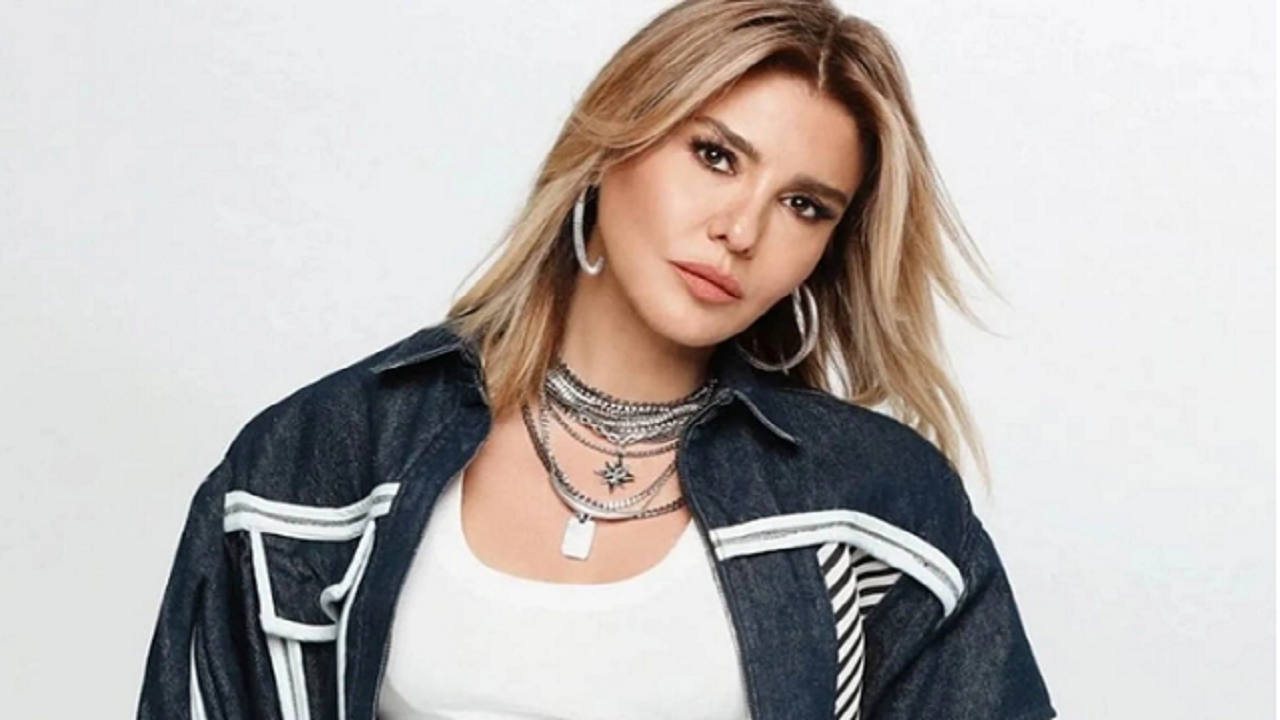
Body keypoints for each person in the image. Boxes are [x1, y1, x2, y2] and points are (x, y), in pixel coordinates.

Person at [137, 1, 1056, 718]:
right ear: (611, 143)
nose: (741, 230)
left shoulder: (879, 504)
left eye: (804, 205)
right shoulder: (318, 461)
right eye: (714, 155)